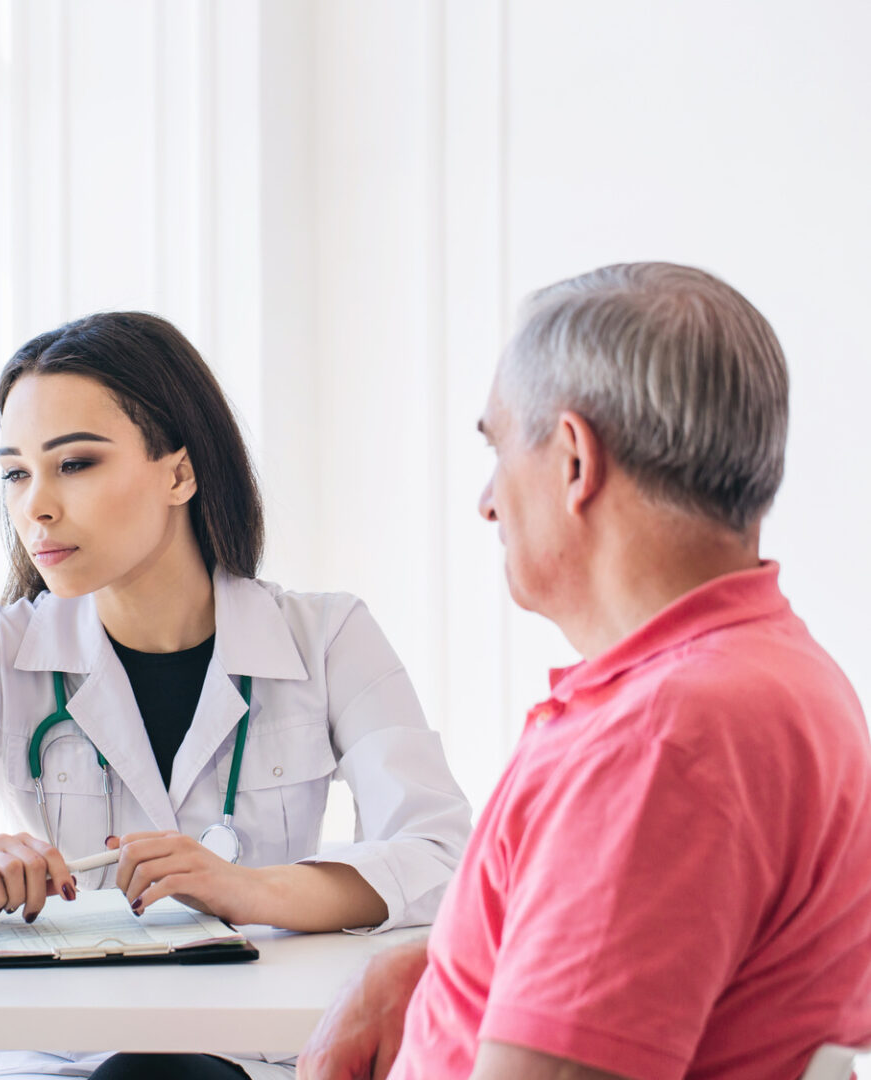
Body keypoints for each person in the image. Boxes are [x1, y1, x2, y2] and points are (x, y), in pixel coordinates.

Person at [0, 311, 473, 1079]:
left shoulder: (327, 637)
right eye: (15, 472)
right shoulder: (1, 652)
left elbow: (442, 858)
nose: (36, 505)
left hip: (249, 1055)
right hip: (59, 1057)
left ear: (179, 472)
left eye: (75, 464)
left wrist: (252, 890)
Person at [299, 262, 871, 1080]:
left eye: (498, 449)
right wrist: (439, 962)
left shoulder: (658, 743)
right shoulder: (773, 672)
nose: (488, 502)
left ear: (573, 459)